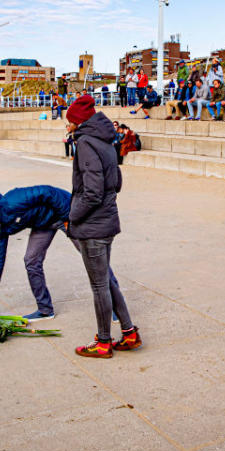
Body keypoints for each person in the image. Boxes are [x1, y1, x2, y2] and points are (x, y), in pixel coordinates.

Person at [63, 95, 140, 358]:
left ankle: (104, 342)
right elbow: (116, 181)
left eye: (69, 121)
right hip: (107, 219)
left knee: (99, 286)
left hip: (93, 225)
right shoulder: (106, 140)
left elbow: (92, 192)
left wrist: (73, 215)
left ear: (78, 121)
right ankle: (129, 332)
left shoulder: (85, 143)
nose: (67, 126)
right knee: (106, 280)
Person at [0, 186, 82, 321]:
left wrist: (67, 218)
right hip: (42, 223)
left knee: (90, 256)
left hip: (62, 213)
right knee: (31, 260)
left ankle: (112, 305)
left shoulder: (12, 201)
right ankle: (45, 310)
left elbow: (48, 192)